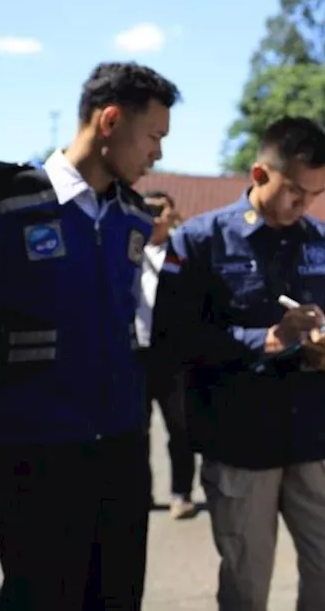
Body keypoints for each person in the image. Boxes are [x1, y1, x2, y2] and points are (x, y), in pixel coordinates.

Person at [0, 62, 180, 610]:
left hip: (120, 448)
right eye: (154, 137)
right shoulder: (2, 199)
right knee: (43, 599)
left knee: (117, 597)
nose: (158, 155)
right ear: (111, 121)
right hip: (35, 453)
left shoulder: (131, 218)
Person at [155, 116, 325, 611]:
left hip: (314, 441)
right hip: (239, 443)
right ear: (260, 174)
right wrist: (261, 340)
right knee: (246, 589)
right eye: (294, 191)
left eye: (315, 194)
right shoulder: (199, 242)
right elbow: (173, 338)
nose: (303, 205)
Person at [136, 189, 197, 520]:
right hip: (135, 354)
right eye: (149, 209)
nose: (156, 215)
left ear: (173, 214)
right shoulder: (127, 249)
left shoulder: (182, 251)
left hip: (173, 356)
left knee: (181, 429)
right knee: (136, 431)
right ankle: (141, 493)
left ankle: (181, 493)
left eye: (162, 209)